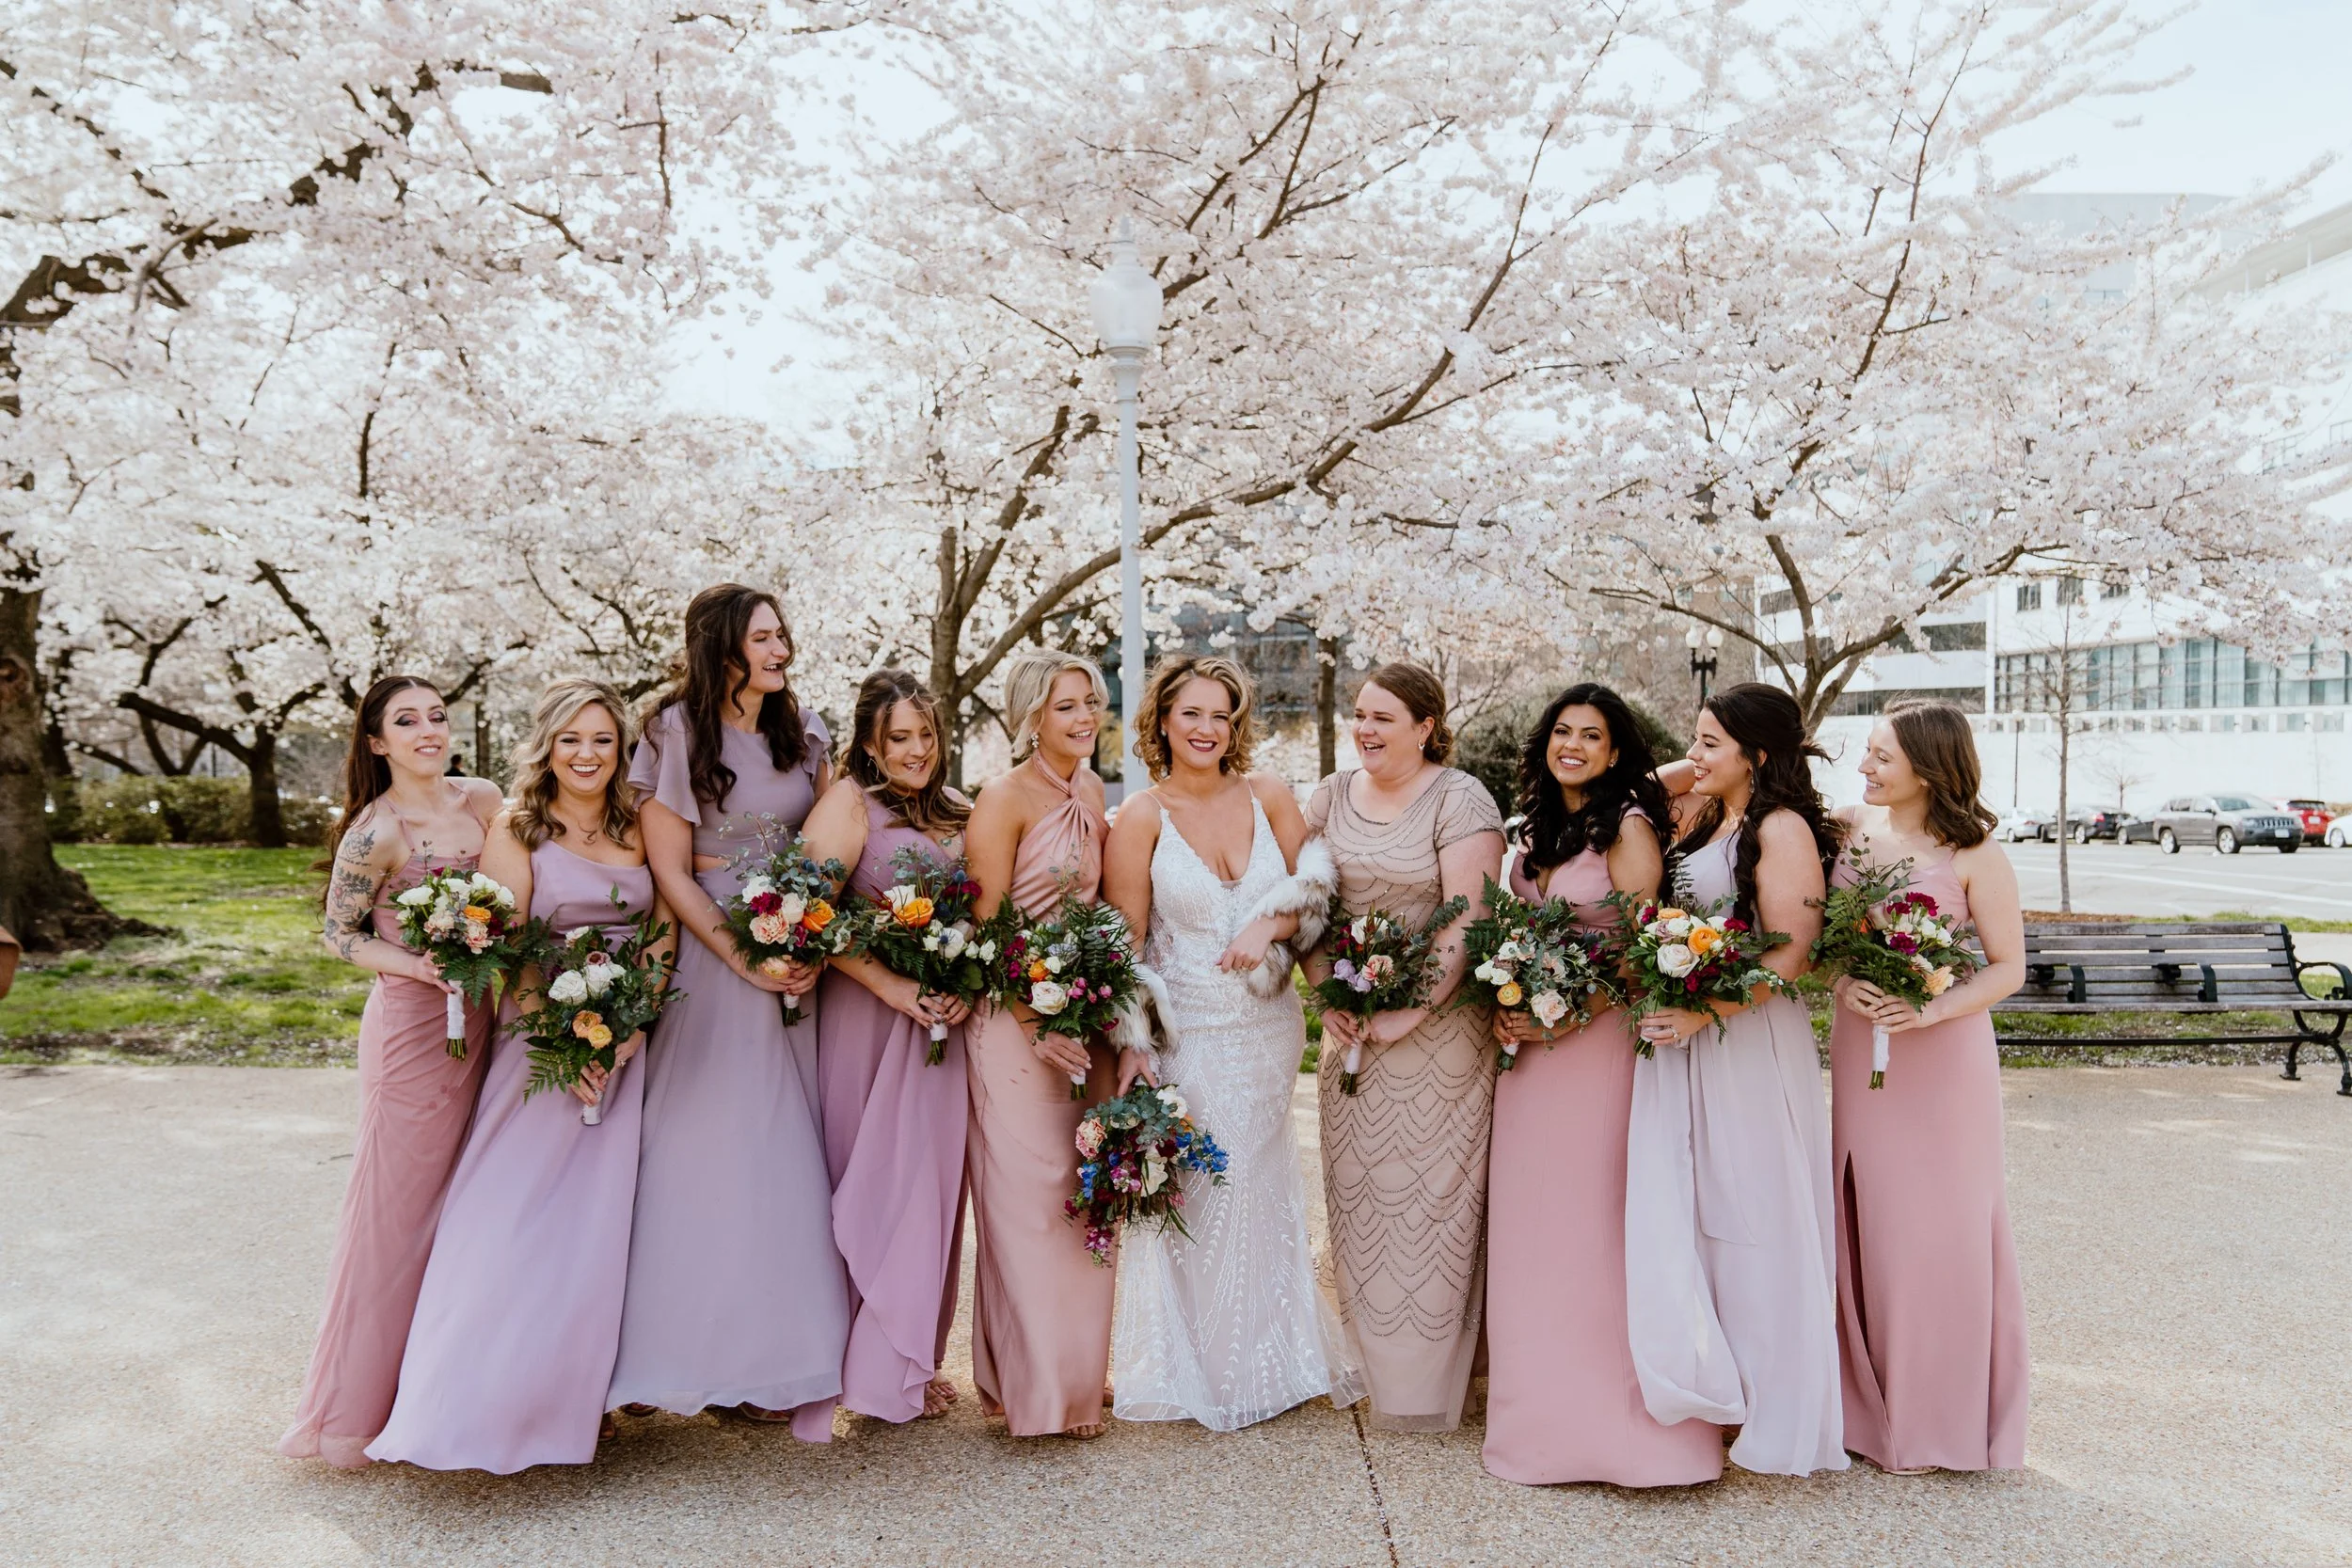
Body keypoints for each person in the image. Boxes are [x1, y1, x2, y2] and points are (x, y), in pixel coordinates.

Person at [369, 679, 674, 1472]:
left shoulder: (639, 819)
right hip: (547, 1049)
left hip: (630, 1039)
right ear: (547, 744)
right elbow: (519, 953)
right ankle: (483, 1400)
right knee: (519, 1220)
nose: (587, 754)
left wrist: (632, 1020)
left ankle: (589, 1393)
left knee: (609, 1230)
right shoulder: (518, 828)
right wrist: (571, 1040)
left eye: (602, 739)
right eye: (571, 738)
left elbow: (663, 926)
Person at [606, 584, 849, 1438]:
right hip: (713, 952)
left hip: (795, 944)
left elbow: (835, 833)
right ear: (722, 647)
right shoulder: (674, 728)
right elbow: (670, 869)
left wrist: (806, 942)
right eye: (764, 637)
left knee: (779, 1154)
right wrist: (747, 955)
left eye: (784, 634)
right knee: (698, 1151)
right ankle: (663, 1353)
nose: (782, 650)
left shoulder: (804, 727)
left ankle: (761, 1361)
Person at [1103, 655, 1361, 1431]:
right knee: (1200, 1189)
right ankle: (1201, 1368)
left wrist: (1273, 924)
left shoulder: (1270, 794)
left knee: (1255, 1179)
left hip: (1266, 1029)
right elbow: (1127, 944)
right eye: (1192, 715)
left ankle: (1269, 1360)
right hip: (1187, 1031)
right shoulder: (1142, 815)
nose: (1207, 729)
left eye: (1221, 715)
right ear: (1163, 722)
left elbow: (1318, 889)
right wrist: (1134, 1045)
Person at [1481, 683, 1723, 1487]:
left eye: (1591, 734)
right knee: (1533, 1230)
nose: (1573, 744)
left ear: (1616, 751)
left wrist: (1561, 1009)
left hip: (1602, 1047)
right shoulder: (1533, 831)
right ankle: (1539, 1427)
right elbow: (1516, 933)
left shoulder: (1629, 825)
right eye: (1561, 731)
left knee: (1597, 1229)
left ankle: (1619, 1432)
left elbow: (1641, 945)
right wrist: (1511, 1003)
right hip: (1530, 1064)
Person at [1628, 682, 1847, 1477]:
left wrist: (1702, 1012)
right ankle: (1724, 1384)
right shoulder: (1717, 818)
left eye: (1710, 742)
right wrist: (1700, 765)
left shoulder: (1781, 829)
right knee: (1704, 1209)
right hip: (1698, 1034)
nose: (1693, 755)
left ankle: (1777, 1399)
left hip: (1745, 1037)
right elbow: (1643, 790)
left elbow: (1788, 954)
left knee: (1756, 1211)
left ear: (1756, 754)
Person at [280, 676, 501, 1467]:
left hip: (494, 1020)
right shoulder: (376, 832)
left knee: (474, 1203)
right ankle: (356, 1409)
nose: (427, 730)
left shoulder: (483, 800)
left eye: (437, 716)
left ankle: (449, 1385)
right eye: (406, 721)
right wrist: (419, 966)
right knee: (396, 1213)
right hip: (415, 1032)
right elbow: (336, 936)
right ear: (377, 743)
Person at [1302, 661, 1503, 1433]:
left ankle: (1429, 1387)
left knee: (1432, 1208)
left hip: (1441, 1040)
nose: (1366, 729)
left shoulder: (1460, 798)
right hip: (1352, 1037)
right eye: (1360, 714)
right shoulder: (1328, 795)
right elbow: (1310, 906)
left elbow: (1467, 918)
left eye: (1384, 717)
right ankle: (1367, 1367)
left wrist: (1409, 1012)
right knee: (1359, 1201)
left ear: (1426, 726)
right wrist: (1331, 993)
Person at [1830, 700, 2029, 1472]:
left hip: (1943, 1060)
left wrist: (1932, 1006)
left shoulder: (1977, 853)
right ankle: (1864, 1410)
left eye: (1881, 756)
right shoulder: (1847, 829)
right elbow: (1823, 940)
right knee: (1869, 1215)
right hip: (1860, 1042)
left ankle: (1941, 1417)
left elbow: (2009, 967)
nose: (1865, 768)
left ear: (1927, 765)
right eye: (1866, 753)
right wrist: (1846, 978)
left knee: (1939, 1227)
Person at [802, 670, 974, 1424]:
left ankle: (906, 1357)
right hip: (866, 1018)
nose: (915, 750)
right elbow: (805, 911)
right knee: (862, 1181)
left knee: (928, 1189)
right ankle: (844, 1362)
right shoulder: (848, 803)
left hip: (942, 1022)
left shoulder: (961, 810)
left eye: (926, 736)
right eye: (898, 737)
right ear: (870, 741)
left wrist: (966, 969)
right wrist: (891, 987)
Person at [961, 649, 1119, 1438]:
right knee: (1023, 1205)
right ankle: (1037, 1391)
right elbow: (985, 932)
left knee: (1079, 1198)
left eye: (1090, 701)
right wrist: (1036, 1022)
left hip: (1079, 1017)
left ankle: (1078, 1374)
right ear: (1031, 717)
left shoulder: (1091, 790)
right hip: (1012, 1021)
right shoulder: (1002, 799)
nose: (1085, 717)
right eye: (1066, 706)